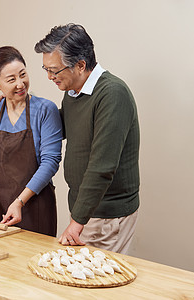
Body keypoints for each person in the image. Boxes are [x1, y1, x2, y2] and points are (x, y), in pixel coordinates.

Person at [34, 24, 140, 254]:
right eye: (46, 69)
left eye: (55, 70)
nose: (50, 77)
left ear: (81, 65)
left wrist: (77, 222)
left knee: (93, 286)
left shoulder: (112, 94)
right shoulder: (73, 91)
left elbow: (102, 166)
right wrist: (17, 105)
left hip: (105, 213)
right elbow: (56, 128)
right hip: (86, 209)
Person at [0, 46, 63, 236]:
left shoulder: (45, 110)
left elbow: (50, 162)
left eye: (23, 75)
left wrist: (19, 201)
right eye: (11, 80)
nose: (20, 84)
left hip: (36, 206)